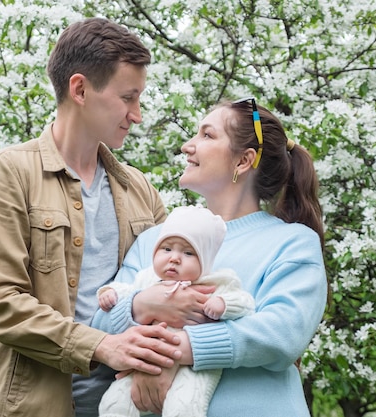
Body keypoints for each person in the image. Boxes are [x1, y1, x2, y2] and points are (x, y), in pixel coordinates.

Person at [0, 17, 190, 417]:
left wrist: (162, 360)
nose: (137, 114)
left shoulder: (141, 190)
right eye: (128, 98)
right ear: (80, 89)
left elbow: (174, 286)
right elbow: (0, 301)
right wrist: (102, 345)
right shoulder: (4, 175)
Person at [91, 97, 328, 416]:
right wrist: (143, 304)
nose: (188, 145)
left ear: (244, 161)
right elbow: (100, 324)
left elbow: (282, 333)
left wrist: (171, 354)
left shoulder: (292, 242)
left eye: (206, 135)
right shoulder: (155, 240)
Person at [97, 206, 255, 417]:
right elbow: (125, 291)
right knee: (114, 403)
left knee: (185, 406)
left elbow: (245, 303)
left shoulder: (216, 282)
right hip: (145, 362)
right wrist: (109, 292)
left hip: (196, 366)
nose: (174, 258)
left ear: (205, 261)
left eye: (188, 253)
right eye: (167, 249)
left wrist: (222, 304)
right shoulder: (147, 279)